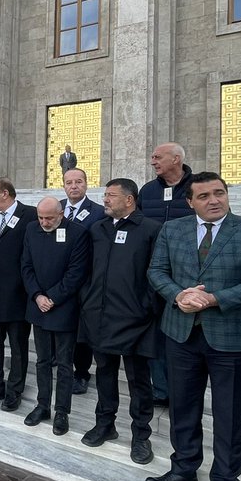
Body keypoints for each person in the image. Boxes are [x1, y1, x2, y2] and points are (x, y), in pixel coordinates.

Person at [146, 172, 241, 481]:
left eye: (219, 193)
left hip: (234, 338)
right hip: (182, 334)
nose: (213, 200)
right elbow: (157, 271)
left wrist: (213, 299)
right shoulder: (173, 231)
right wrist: (178, 294)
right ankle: (184, 470)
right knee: (183, 407)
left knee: (230, 413)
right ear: (190, 202)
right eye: (203, 196)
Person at [79, 179, 161, 464]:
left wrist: (146, 306)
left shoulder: (150, 229)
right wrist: (88, 300)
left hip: (137, 320)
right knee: (104, 373)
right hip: (100, 316)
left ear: (129, 200)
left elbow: (157, 273)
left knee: (139, 381)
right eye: (104, 195)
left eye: (111, 196)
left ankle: (141, 435)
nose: (105, 200)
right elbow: (87, 269)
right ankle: (105, 424)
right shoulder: (97, 229)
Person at [21, 197, 92, 435]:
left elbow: (76, 273)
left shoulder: (78, 233)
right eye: (41, 217)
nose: (44, 222)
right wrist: (37, 296)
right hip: (38, 305)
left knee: (64, 363)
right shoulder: (32, 229)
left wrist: (52, 297)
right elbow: (26, 266)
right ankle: (42, 406)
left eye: (49, 218)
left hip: (63, 307)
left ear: (61, 214)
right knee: (42, 361)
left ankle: (62, 411)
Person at [139, 142, 196, 405]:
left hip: (188, 274)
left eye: (157, 157)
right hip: (154, 272)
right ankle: (161, 390)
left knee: (185, 337)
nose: (153, 161)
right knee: (157, 334)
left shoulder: (197, 187)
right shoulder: (148, 191)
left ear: (176, 159)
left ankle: (185, 391)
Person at [0, 178, 37, 412]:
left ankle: (14, 390)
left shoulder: (29, 214)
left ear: (5, 193)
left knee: (18, 346)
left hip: (18, 294)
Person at [61, 168, 105, 394]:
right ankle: (62, 368)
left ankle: (81, 373)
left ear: (87, 184)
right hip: (58, 281)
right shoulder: (55, 208)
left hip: (85, 282)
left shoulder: (98, 212)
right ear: (64, 185)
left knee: (81, 332)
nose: (74, 186)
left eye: (79, 181)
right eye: (69, 182)